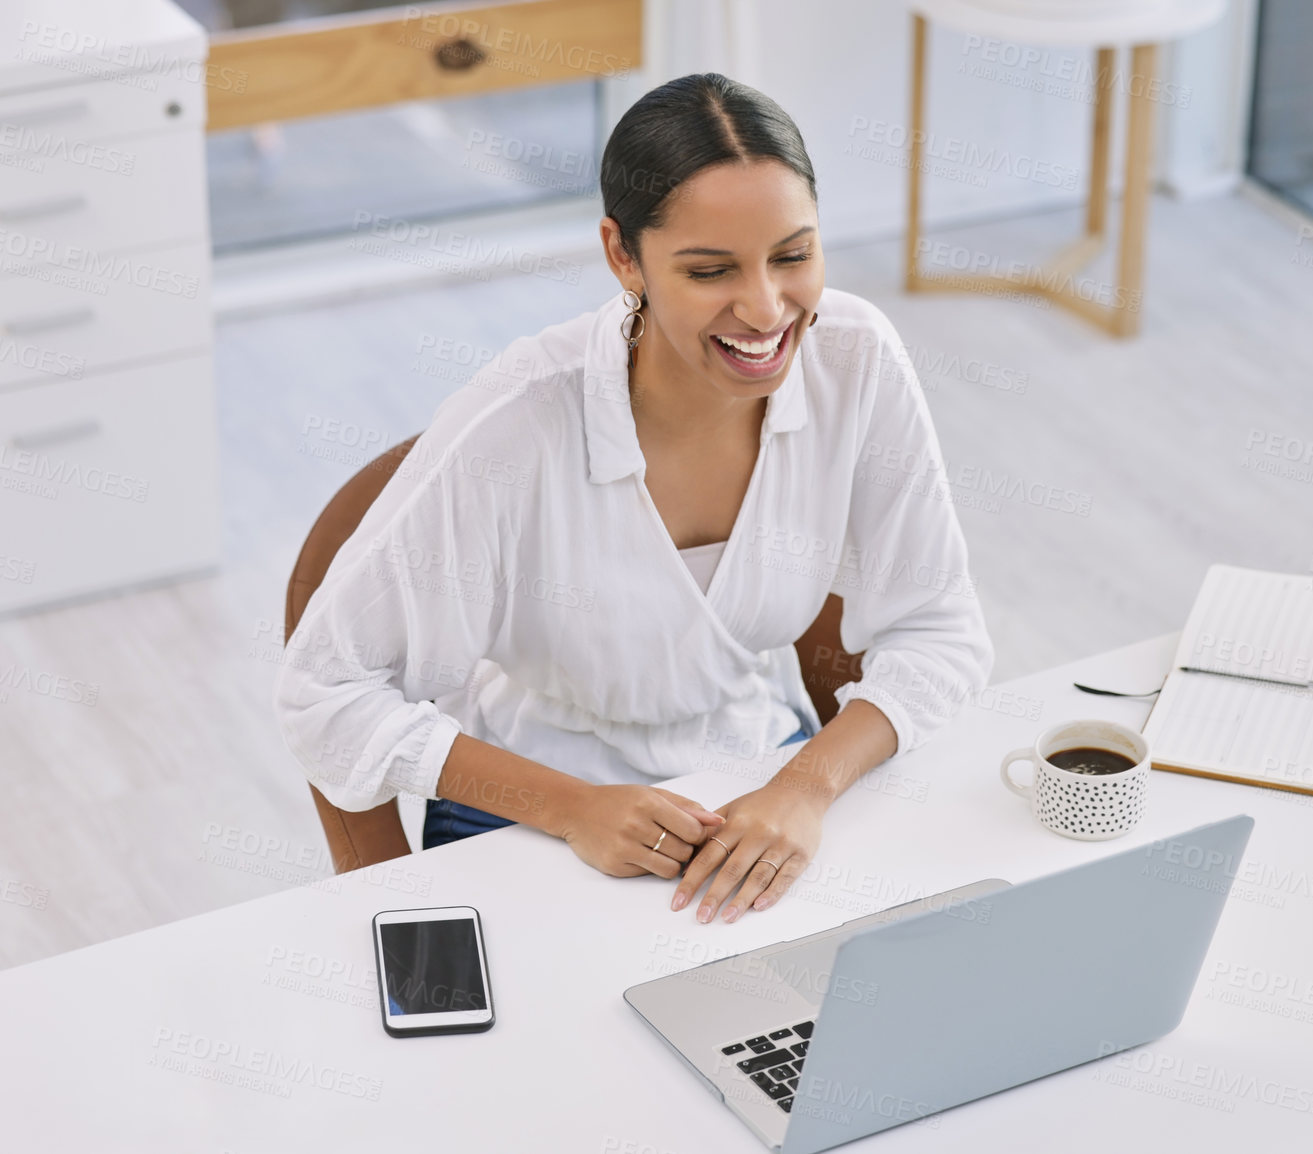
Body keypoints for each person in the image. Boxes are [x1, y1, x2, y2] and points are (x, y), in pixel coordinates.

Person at [275, 73, 993, 926]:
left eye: (792, 256)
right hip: (529, 811)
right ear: (624, 255)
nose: (766, 309)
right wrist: (574, 807)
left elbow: (940, 634)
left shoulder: (854, 359)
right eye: (709, 269)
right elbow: (323, 693)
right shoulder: (518, 424)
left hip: (755, 779)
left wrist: (803, 786)